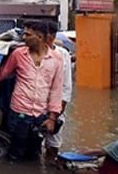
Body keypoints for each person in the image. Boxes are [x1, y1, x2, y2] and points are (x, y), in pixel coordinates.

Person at [0, 20, 63, 161]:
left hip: (40, 116)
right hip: (18, 112)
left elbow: (56, 90)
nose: (24, 38)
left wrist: (52, 118)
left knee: (34, 155)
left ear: (39, 37)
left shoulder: (56, 59)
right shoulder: (18, 55)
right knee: (15, 154)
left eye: (28, 34)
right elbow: (2, 75)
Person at [45, 21, 73, 161]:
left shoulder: (63, 54)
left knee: (54, 140)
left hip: (56, 105)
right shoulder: (30, 52)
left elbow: (66, 85)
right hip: (35, 104)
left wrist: (59, 109)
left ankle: (50, 164)